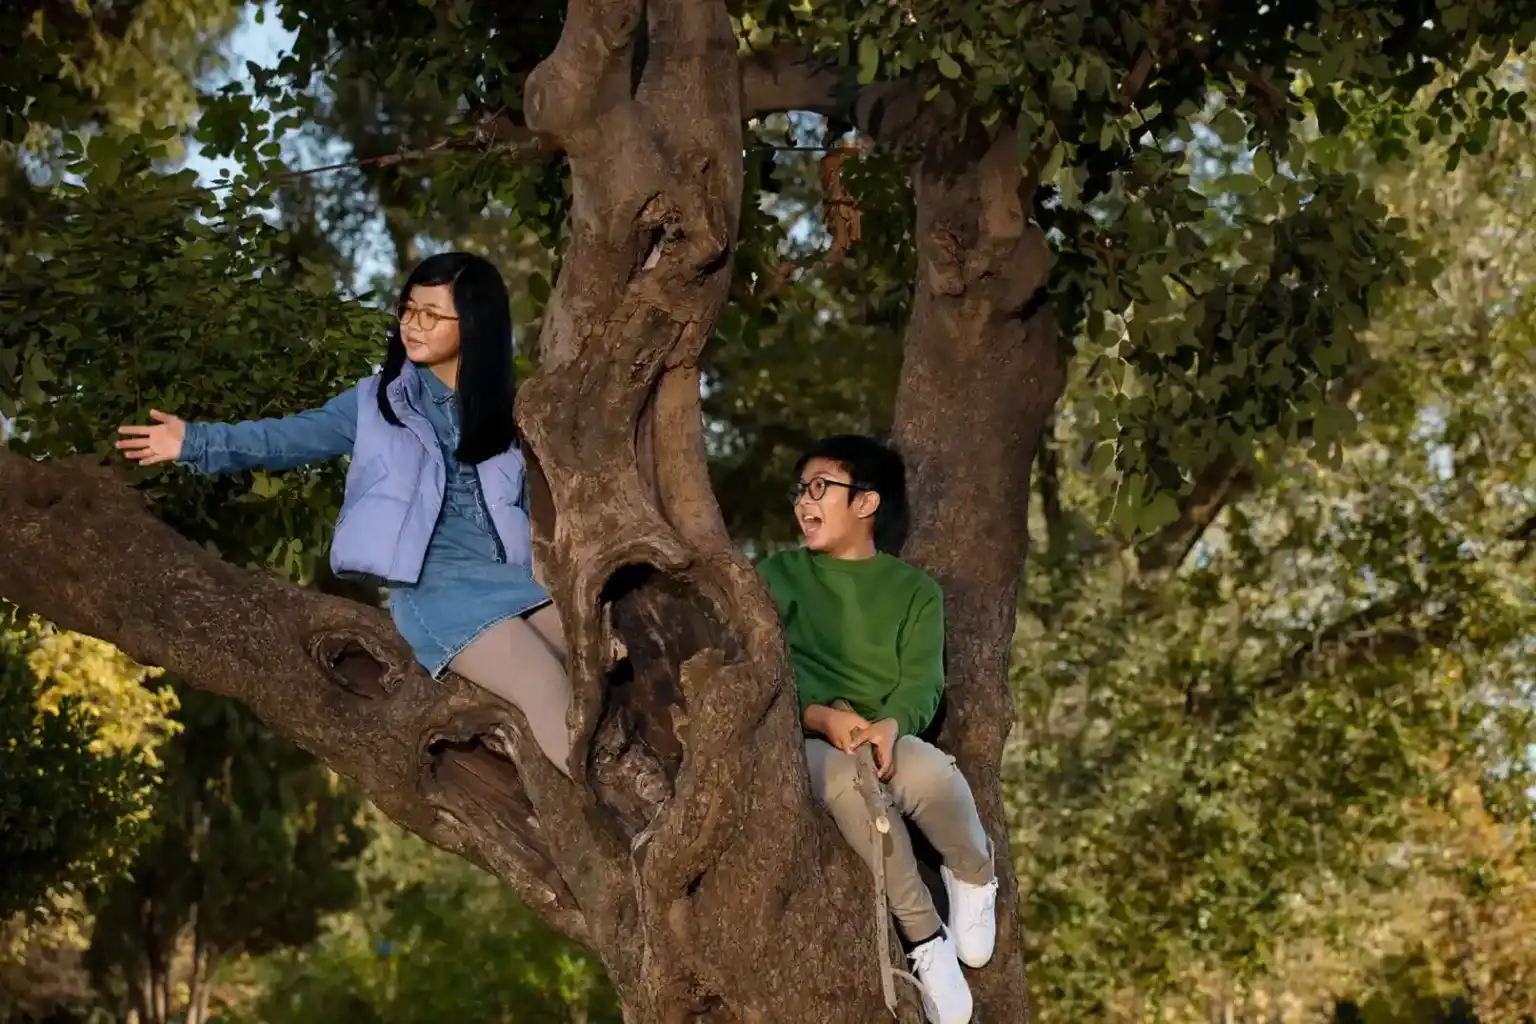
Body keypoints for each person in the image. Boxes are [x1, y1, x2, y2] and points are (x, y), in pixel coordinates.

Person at [116, 252, 574, 773]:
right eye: (408, 309)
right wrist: (194, 442)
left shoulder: (506, 416)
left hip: (510, 585)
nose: (412, 325)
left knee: (601, 654)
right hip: (436, 590)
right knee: (543, 683)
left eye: (431, 314)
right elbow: (287, 437)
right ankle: (616, 831)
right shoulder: (376, 403)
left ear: (475, 324)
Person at [757, 435, 998, 1024]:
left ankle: (974, 875)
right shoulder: (774, 575)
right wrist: (819, 716)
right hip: (808, 739)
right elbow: (759, 670)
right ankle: (923, 938)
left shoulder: (916, 592)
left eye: (820, 488)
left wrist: (890, 727)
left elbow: (922, 683)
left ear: (865, 503)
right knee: (846, 785)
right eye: (800, 491)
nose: (803, 502)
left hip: (884, 732)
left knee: (934, 773)